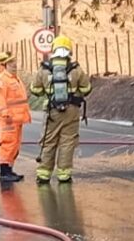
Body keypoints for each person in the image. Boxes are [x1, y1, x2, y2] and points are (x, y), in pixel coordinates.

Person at [31, 34, 92, 184]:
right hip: (71, 111)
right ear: (69, 51)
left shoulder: (44, 69)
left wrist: (48, 92)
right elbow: (87, 88)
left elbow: (35, 89)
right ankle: (64, 175)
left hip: (52, 111)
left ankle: (44, 174)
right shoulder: (76, 69)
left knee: (49, 141)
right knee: (67, 142)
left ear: (54, 50)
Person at [0, 51, 32, 183]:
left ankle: (9, 170)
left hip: (17, 118)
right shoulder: (2, 80)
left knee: (14, 144)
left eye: (15, 63)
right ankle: (4, 172)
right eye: (11, 63)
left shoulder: (14, 78)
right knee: (7, 144)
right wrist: (5, 114)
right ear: (4, 65)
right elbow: (0, 99)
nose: (15, 65)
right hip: (8, 119)